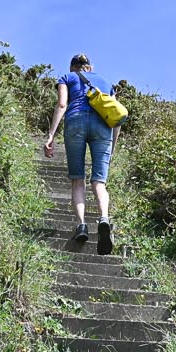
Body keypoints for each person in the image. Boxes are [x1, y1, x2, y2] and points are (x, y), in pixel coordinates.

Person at [43, 53, 116, 254]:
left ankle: (82, 225)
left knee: (78, 179)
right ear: (90, 68)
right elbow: (116, 115)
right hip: (103, 128)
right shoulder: (106, 82)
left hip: (75, 122)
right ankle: (103, 219)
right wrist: (113, 145)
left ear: (72, 67)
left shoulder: (67, 77)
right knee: (99, 182)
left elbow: (62, 105)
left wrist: (51, 135)